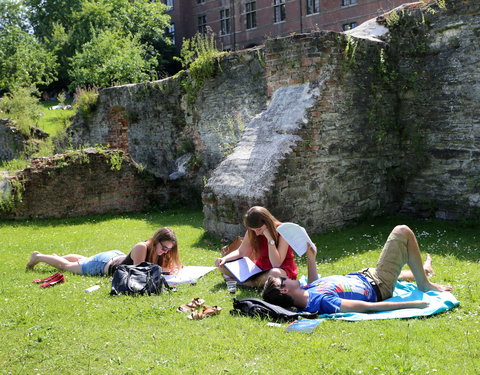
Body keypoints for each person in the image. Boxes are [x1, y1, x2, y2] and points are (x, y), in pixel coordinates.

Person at [262, 225, 452, 313]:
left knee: (401, 272)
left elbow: (314, 283)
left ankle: (424, 270)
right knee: (402, 232)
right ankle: (424, 284)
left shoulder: (306, 292)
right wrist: (411, 304)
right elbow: (367, 307)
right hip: (379, 283)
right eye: (283, 279)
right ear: (285, 290)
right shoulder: (321, 302)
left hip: (366, 276)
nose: (286, 276)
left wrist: (312, 258)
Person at [26, 227, 181, 276]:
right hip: (103, 265)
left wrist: (173, 268)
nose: (165, 252)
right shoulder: (142, 247)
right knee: (67, 267)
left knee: (85, 259)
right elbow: (140, 271)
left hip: (113, 257)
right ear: (156, 241)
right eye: (164, 248)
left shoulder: (159, 251)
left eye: (169, 250)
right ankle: (39, 257)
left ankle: (55, 257)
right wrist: (164, 270)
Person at [215, 206, 298, 287]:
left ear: (267, 222)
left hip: (281, 270)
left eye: (259, 229)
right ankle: (252, 282)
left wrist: (270, 239)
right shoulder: (252, 231)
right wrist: (224, 259)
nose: (257, 233)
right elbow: (241, 252)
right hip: (258, 270)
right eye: (254, 230)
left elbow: (276, 264)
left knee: (276, 273)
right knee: (223, 266)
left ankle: (245, 283)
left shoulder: (283, 231)